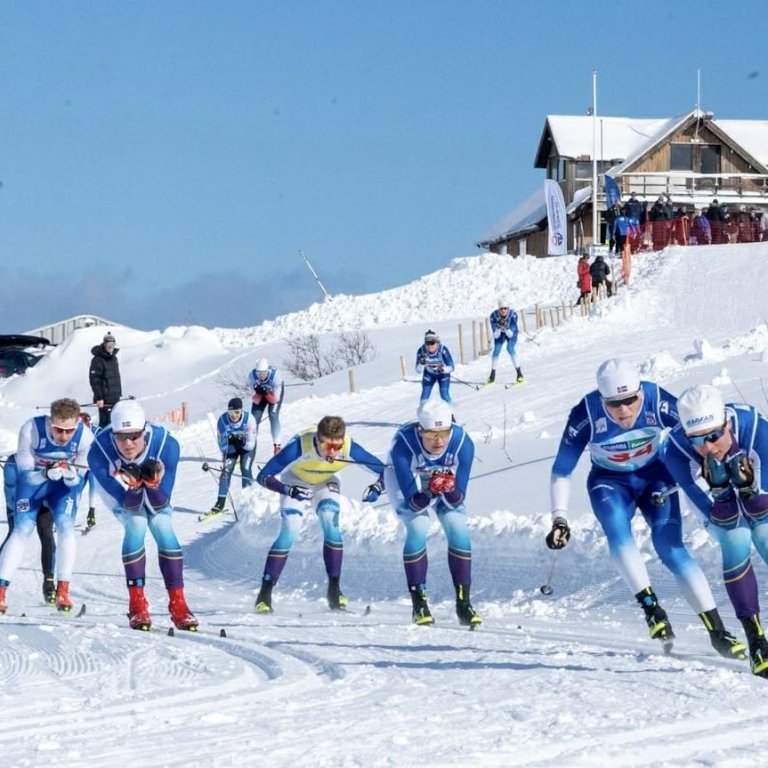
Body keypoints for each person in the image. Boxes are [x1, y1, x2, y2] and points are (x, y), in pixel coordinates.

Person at [546, 359, 745, 659]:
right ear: (602, 399)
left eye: (631, 400)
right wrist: (559, 518)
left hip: (656, 477)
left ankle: (718, 633)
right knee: (618, 532)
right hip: (609, 483)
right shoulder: (585, 413)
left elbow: (697, 434)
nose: (624, 411)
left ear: (641, 393)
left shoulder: (658, 400)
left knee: (671, 548)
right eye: (614, 404)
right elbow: (562, 470)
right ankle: (651, 608)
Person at [662, 385, 768, 677]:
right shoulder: (675, 451)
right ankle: (756, 640)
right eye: (697, 439)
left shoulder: (755, 428)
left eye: (713, 435)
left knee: (764, 533)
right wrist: (721, 491)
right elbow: (721, 515)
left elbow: (761, 508)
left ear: (727, 424)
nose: (708, 447)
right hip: (718, 508)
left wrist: (748, 489)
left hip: (762, 498)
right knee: (736, 537)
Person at [253, 415, 386, 613]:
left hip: (325, 481)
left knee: (331, 524)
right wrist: (287, 490)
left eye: (337, 446)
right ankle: (265, 593)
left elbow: (385, 470)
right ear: (317, 439)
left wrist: (377, 487)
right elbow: (263, 475)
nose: (333, 452)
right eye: (327, 446)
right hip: (295, 480)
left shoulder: (349, 447)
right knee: (290, 530)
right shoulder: (300, 446)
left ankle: (334, 589)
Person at [88, 400, 198, 631]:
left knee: (162, 525)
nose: (128, 444)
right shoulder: (98, 451)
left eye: (134, 436)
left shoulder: (167, 445)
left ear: (145, 432)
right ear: (113, 435)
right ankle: (137, 604)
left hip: (153, 491)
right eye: (121, 437)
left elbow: (160, 503)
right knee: (136, 523)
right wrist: (135, 487)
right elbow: (128, 503)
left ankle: (179, 603)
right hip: (121, 489)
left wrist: (152, 484)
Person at [385, 399, 480, 627]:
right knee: (418, 526)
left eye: (444, 433)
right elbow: (415, 502)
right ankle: (419, 604)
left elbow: (457, 498)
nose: (439, 441)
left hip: (440, 478)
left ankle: (464, 603)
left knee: (458, 527)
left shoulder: (463, 442)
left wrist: (447, 488)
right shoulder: (402, 444)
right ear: (420, 431)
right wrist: (431, 489)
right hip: (409, 479)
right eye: (431, 435)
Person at [0, 398, 93, 613]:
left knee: (66, 527)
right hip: (34, 482)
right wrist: (45, 474)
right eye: (59, 429)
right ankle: (2, 591)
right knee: (22, 529)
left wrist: (71, 476)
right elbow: (25, 475)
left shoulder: (85, 437)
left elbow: (79, 480)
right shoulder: (31, 429)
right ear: (50, 422)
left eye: (69, 431)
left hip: (61, 487)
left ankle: (63, 592)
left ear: (77, 425)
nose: (63, 436)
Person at [2, 455, 57, 602]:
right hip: (19, 501)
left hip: (43, 499)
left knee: (46, 532)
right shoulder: (13, 464)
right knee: (15, 533)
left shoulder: (50, 458)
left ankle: (49, 584)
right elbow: (11, 498)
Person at [208, 396, 257, 514]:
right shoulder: (222, 421)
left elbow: (251, 445)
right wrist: (228, 441)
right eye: (231, 413)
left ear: (241, 411)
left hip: (246, 447)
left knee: (245, 469)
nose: (234, 415)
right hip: (231, 447)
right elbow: (222, 447)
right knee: (226, 470)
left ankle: (248, 500)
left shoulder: (249, 419)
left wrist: (242, 443)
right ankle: (220, 502)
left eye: (237, 412)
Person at [247, 358, 284, 456]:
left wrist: (267, 393)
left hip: (273, 395)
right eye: (259, 373)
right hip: (260, 395)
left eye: (264, 372)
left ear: (268, 371)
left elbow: (275, 400)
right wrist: (258, 392)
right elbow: (254, 399)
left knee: (273, 415)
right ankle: (250, 447)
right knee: (254, 419)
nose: (261, 375)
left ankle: (277, 447)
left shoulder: (276, 377)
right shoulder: (252, 376)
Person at [89, 332, 123, 428]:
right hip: (104, 399)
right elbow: (95, 380)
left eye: (112, 344)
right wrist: (99, 398)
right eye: (108, 344)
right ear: (104, 344)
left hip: (115, 397)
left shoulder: (113, 358)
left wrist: (118, 394)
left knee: (114, 423)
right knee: (105, 424)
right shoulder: (97, 359)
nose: (110, 346)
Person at [487, 299, 524, 385]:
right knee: (496, 350)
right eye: (501, 309)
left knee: (510, 348)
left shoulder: (513, 315)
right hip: (500, 333)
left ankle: (519, 374)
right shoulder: (493, 316)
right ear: (498, 309)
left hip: (511, 332)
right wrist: (498, 327)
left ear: (508, 308)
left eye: (505, 308)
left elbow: (510, 335)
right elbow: (496, 336)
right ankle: (492, 375)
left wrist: (506, 327)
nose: (503, 310)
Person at [415, 330, 455, 406]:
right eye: (427, 343)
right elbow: (418, 370)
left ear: (436, 342)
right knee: (424, 397)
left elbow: (452, 367)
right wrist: (421, 363)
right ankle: (422, 412)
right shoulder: (421, 351)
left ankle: (452, 410)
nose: (430, 346)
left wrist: (443, 369)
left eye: (432, 343)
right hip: (429, 374)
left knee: (444, 394)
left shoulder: (443, 350)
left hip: (443, 374)